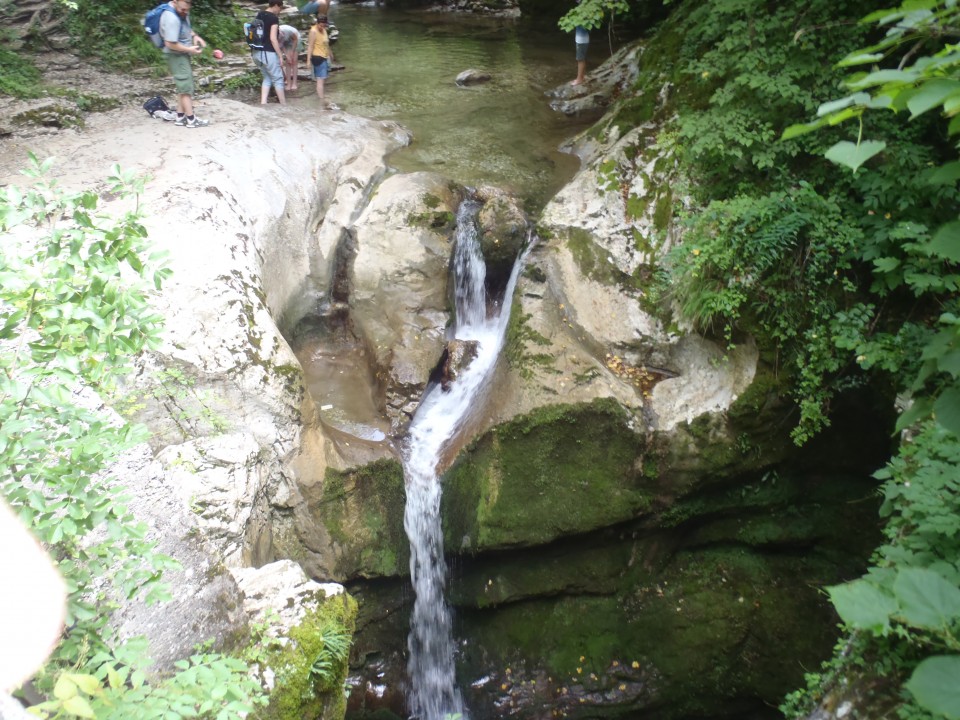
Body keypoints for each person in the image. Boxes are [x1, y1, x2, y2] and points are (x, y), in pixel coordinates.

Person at [160, 0, 209, 127]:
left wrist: (195, 36)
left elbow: (184, 27)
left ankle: (180, 116)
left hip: (180, 54)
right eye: (183, 10)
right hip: (176, 55)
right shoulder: (171, 18)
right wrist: (189, 49)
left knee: (182, 86)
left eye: (188, 10)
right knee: (186, 87)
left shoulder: (178, 11)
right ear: (175, 1)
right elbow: (170, 43)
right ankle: (191, 119)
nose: (185, 12)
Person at [251, 0, 287, 105]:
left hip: (256, 52)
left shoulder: (260, 14)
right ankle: (284, 105)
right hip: (268, 53)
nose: (280, 10)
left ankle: (263, 103)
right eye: (280, 8)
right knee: (278, 79)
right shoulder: (273, 18)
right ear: (276, 5)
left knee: (267, 77)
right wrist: (280, 55)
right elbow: (273, 39)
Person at [305, 14, 332, 106]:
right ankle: (321, 100)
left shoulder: (324, 30)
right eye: (320, 25)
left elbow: (326, 44)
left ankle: (321, 97)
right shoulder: (313, 31)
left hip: (324, 56)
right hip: (317, 57)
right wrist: (308, 60)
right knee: (320, 79)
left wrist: (330, 54)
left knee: (323, 79)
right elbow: (310, 46)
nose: (322, 27)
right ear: (317, 23)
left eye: (324, 25)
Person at [279, 24, 300, 91]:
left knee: (294, 60)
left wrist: (292, 52)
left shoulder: (287, 31)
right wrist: (287, 55)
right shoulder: (275, 36)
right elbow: (282, 46)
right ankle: (288, 83)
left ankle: (294, 83)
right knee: (288, 62)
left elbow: (295, 40)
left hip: (296, 38)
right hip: (286, 42)